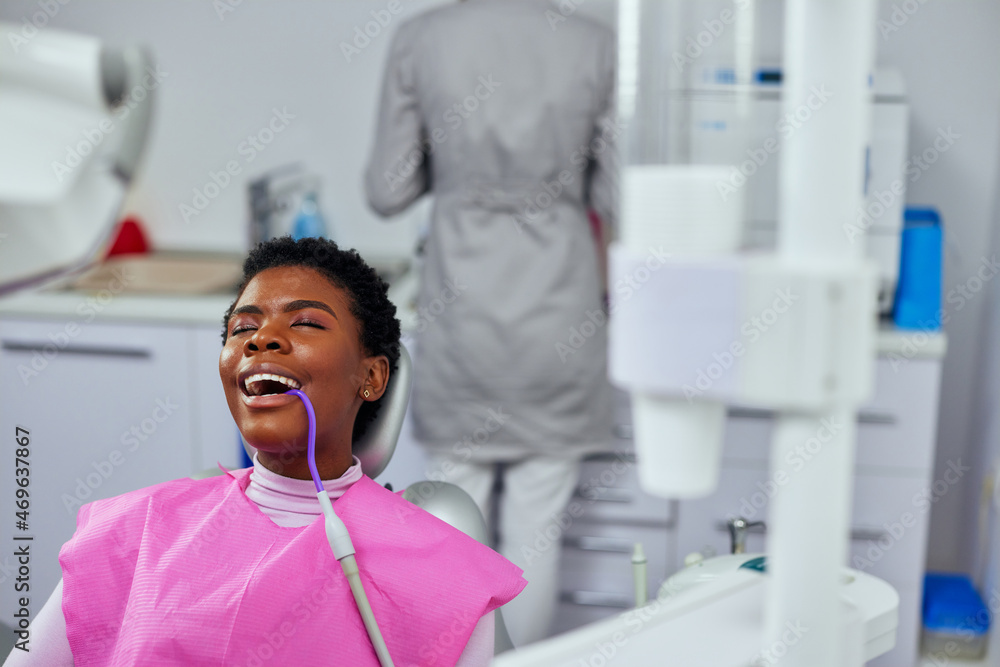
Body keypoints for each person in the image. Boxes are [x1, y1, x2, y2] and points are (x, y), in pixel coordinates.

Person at [4, 236, 525, 666]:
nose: (261, 340)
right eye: (243, 329)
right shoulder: (131, 531)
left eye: (305, 323)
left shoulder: (445, 570)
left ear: (371, 376)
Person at [365, 0, 619, 644]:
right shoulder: (594, 42)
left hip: (464, 318)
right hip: (561, 320)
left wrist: (455, 168)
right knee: (539, 524)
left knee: (453, 526)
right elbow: (619, 196)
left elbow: (387, 189)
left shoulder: (422, 37)